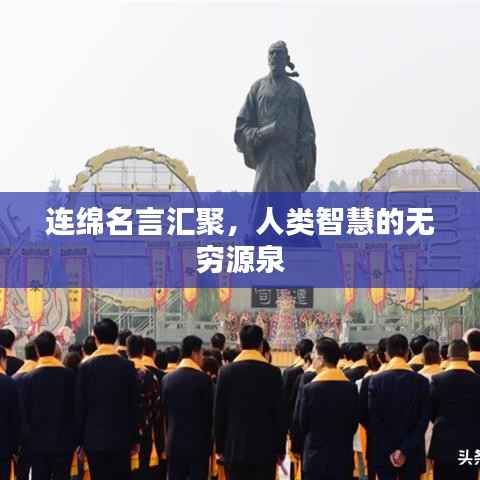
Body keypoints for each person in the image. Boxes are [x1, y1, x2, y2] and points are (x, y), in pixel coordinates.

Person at [234, 40, 316, 193]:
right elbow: (241, 129)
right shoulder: (258, 88)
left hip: (289, 166)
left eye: (279, 53)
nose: (274, 57)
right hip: (265, 166)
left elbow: (308, 131)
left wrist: (303, 154)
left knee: (291, 206)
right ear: (267, 58)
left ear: (287, 58)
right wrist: (263, 133)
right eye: (271, 53)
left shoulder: (297, 90)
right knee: (261, 207)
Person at [215, 325, 286, 480]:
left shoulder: (226, 372)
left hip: (234, 448)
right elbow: (280, 414)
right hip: (265, 450)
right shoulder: (273, 373)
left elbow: (219, 412)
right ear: (261, 344)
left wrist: (219, 446)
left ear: (240, 344)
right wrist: (281, 449)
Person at [76, 318, 139, 480]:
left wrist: (80, 441)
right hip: (122, 439)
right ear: (116, 337)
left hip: (94, 439)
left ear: (96, 339)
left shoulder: (85, 367)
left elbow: (81, 407)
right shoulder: (127, 366)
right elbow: (133, 405)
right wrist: (135, 439)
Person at [368, 334, 430, 480]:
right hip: (413, 453)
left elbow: (374, 419)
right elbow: (423, 420)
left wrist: (391, 449)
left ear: (386, 355)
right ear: (407, 353)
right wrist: (404, 450)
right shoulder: (421, 382)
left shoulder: (376, 381)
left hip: (384, 453)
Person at [299, 337, 359, 480]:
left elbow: (303, 424)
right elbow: (353, 424)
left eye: (314, 353)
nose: (312, 357)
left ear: (321, 359)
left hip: (315, 458)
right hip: (342, 457)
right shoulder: (351, 388)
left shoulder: (309, 389)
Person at [22, 331, 76, 480]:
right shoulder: (70, 376)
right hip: (64, 442)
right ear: (54, 349)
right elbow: (75, 409)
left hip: (37, 444)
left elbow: (24, 415)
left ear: (37, 350)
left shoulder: (28, 379)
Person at [162, 335, 213, 480]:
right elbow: (209, 415)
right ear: (194, 353)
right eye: (201, 353)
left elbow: (165, 413)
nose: (202, 358)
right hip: (199, 445)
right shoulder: (204, 380)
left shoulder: (167, 379)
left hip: (174, 443)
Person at [429, 339, 480, 480]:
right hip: (471, 443)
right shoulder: (478, 381)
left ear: (448, 356)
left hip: (444, 444)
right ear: (467, 356)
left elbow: (431, 412)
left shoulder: (438, 380)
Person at [127, 335, 161, 480]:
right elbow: (156, 406)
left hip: (122, 431)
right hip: (145, 431)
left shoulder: (121, 372)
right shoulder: (150, 376)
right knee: (143, 470)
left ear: (127, 350)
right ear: (142, 351)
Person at [358, 338, 388, 480]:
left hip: (375, 439)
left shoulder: (368, 380)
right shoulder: (416, 379)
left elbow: (362, 413)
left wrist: (372, 429)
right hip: (406, 444)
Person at [13, 341, 38, 480]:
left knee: (22, 472)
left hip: (20, 435)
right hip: (41, 433)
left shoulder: (15, 377)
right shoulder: (40, 374)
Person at [0, 345, 21, 480]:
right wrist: (15, 448)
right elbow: (15, 418)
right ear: (2, 360)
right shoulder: (9, 383)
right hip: (3, 448)